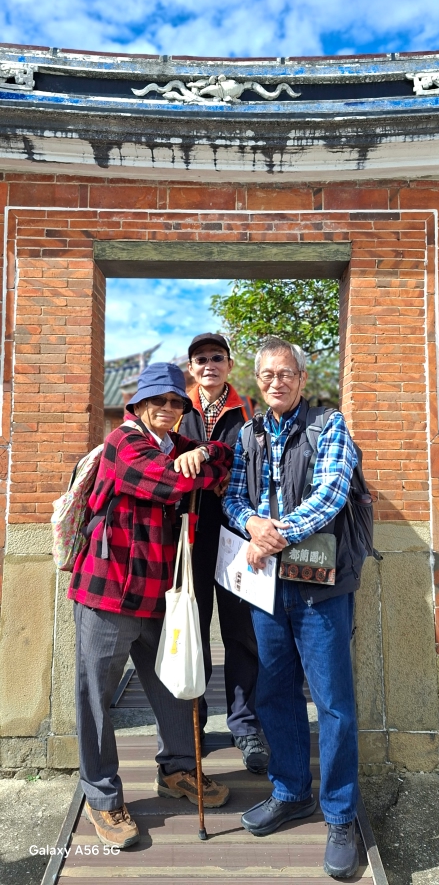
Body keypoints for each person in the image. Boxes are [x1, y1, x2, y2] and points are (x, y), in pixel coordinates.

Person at [68, 363, 233, 850]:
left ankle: (178, 769)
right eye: (157, 400)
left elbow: (226, 457)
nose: (167, 408)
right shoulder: (124, 442)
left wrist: (204, 452)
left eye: (175, 402)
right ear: (138, 404)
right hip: (108, 591)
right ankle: (102, 795)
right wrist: (198, 469)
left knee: (175, 684)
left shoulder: (178, 445)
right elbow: (168, 483)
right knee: (96, 697)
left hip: (162, 593)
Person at [224, 337, 360, 880]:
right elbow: (233, 496)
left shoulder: (329, 425)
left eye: (286, 374)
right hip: (267, 585)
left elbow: (331, 493)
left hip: (319, 584)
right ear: (257, 382)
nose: (276, 382)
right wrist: (251, 525)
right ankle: (290, 792)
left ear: (302, 379)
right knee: (274, 691)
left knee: (333, 702)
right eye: (268, 375)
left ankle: (341, 816)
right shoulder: (248, 433)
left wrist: (272, 535)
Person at [175, 333, 269, 774]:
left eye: (216, 357)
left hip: (236, 536)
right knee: (191, 629)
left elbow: (259, 469)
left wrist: (217, 467)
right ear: (191, 368)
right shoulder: (176, 410)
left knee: (241, 632)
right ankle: (192, 722)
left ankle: (245, 724)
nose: (208, 364)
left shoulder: (249, 411)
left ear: (230, 365)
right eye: (200, 359)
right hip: (190, 535)